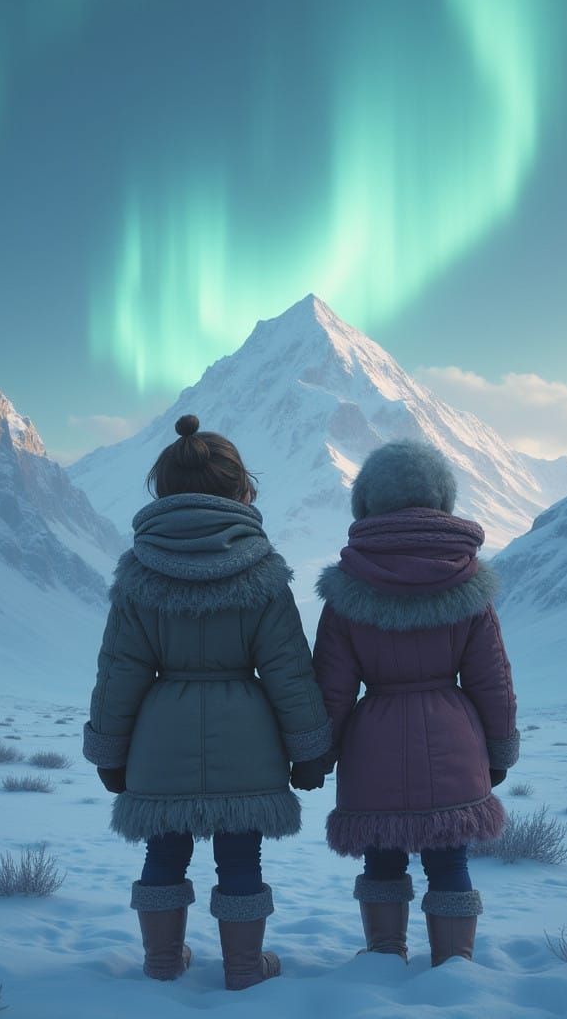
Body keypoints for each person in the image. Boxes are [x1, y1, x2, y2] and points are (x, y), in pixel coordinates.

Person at [82, 414, 331, 990]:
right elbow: (289, 672)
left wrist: (109, 752)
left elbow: (120, 671)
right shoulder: (264, 570)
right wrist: (310, 749)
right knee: (241, 860)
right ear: (242, 488)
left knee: (163, 854)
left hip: (158, 738)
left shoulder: (139, 570)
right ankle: (245, 967)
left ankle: (162, 960)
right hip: (248, 738)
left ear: (162, 488)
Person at [312, 439, 519, 966]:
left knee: (382, 859)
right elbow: (491, 679)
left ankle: (383, 959)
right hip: (454, 739)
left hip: (372, 745)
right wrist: (498, 751)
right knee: (449, 861)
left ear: (366, 504)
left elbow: (332, 689)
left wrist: (318, 753)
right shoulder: (468, 580)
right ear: (442, 500)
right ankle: (455, 970)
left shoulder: (346, 587)